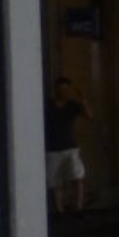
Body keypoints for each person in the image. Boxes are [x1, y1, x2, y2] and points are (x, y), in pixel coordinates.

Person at [45, 76, 89, 214]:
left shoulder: (71, 105)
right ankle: (59, 210)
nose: (63, 92)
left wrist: (83, 101)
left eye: (65, 89)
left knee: (77, 176)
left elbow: (89, 116)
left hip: (70, 146)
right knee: (54, 181)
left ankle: (78, 207)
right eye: (60, 89)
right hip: (53, 147)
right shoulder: (48, 105)